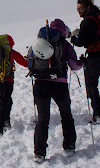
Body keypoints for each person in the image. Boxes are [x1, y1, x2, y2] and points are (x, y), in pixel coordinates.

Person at [29, 19, 83, 163]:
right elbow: (74, 65)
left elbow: (30, 61)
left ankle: (39, 153)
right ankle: (69, 146)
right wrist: (83, 62)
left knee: (42, 119)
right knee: (66, 115)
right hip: (59, 84)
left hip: (40, 84)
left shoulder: (38, 41)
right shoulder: (64, 44)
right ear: (63, 30)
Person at [71, 0, 100, 123]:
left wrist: (73, 38)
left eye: (81, 8)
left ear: (88, 7)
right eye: (78, 9)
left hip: (95, 57)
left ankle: (98, 112)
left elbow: (82, 41)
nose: (79, 11)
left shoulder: (87, 21)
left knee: (91, 85)